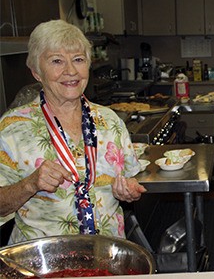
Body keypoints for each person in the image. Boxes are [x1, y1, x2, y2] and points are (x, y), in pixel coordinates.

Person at [0, 19, 146, 244]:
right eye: (56, 61)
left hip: (106, 254)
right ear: (36, 72)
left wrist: (127, 191)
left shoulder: (110, 121)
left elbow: (128, 180)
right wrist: (29, 184)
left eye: (78, 59)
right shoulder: (12, 127)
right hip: (42, 261)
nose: (70, 71)